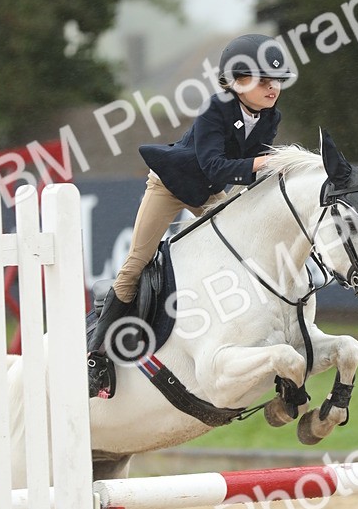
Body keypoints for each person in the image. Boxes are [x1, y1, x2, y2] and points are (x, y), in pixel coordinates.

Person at [87, 32, 295, 398]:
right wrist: (266, 162)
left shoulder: (269, 116)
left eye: (276, 80)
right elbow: (216, 167)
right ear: (237, 81)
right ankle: (96, 355)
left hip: (207, 191)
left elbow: (253, 166)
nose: (272, 87)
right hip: (170, 184)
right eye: (263, 79)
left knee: (243, 254)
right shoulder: (216, 109)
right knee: (137, 261)